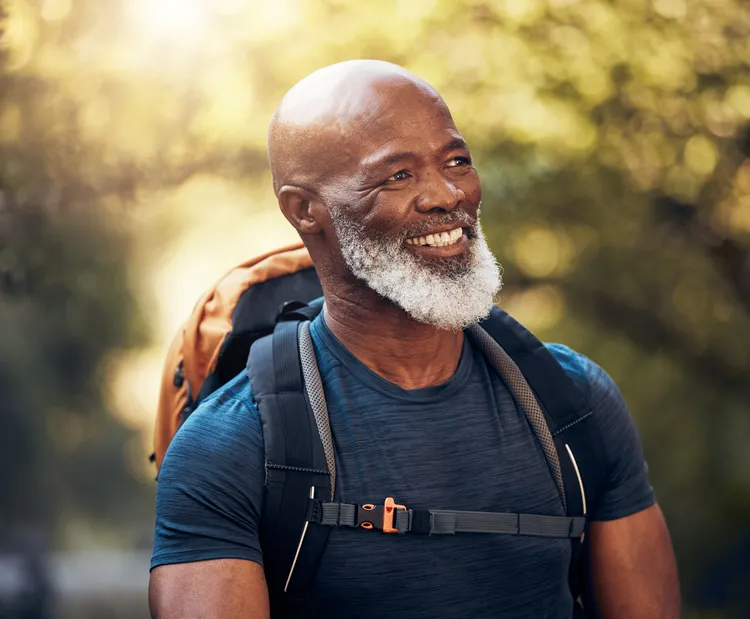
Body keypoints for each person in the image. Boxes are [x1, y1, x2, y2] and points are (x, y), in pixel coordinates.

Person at [148, 60, 681, 619]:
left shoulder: (576, 405)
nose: (447, 194)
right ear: (305, 210)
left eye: (457, 162)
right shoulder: (229, 448)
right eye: (398, 176)